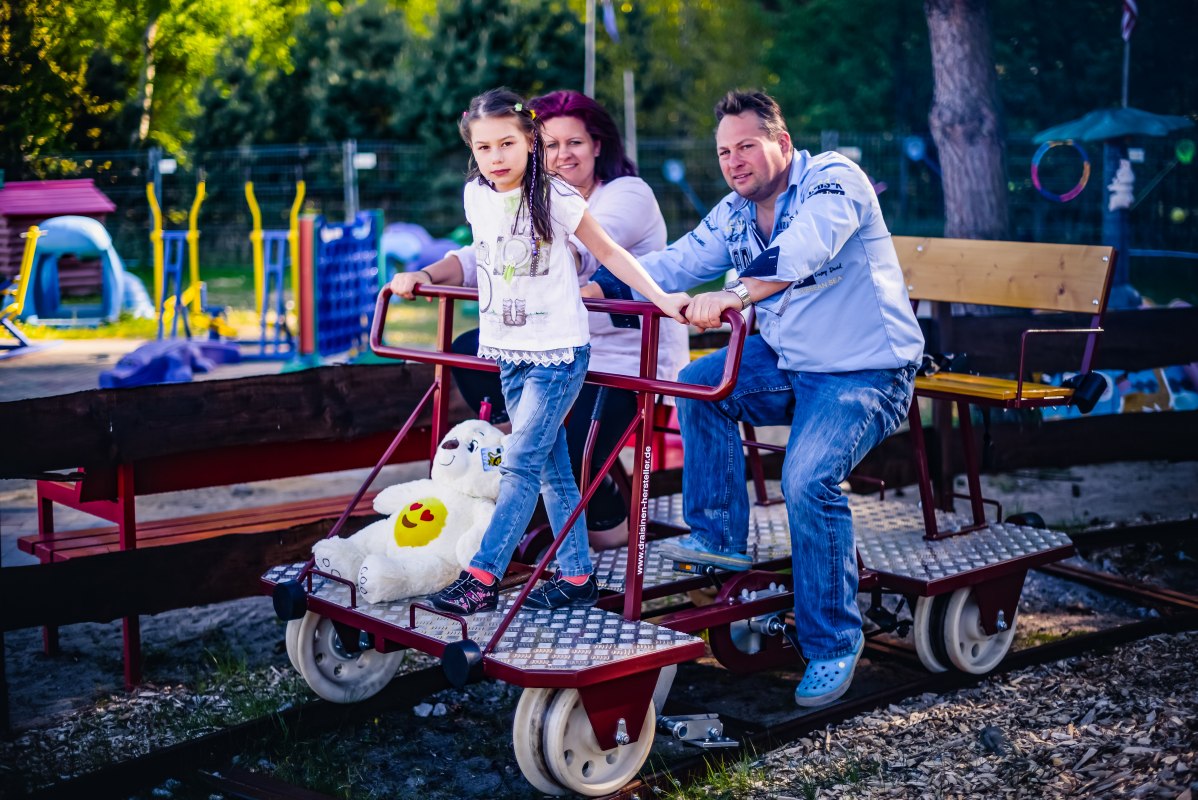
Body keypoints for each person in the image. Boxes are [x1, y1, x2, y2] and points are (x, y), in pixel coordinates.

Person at [597, 90, 924, 706]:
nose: (734, 161)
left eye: (746, 145)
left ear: (782, 142)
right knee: (700, 384)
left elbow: (806, 248)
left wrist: (736, 295)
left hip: (864, 372)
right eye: (724, 152)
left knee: (806, 479)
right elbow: (678, 262)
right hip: (789, 363)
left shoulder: (834, 181)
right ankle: (719, 537)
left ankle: (832, 640)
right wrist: (596, 286)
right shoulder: (735, 212)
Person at [393, 87, 689, 616]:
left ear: (530, 141)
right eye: (484, 147)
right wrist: (423, 274)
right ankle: (577, 576)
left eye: (507, 144)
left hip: (558, 353)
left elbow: (606, 251)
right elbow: (480, 253)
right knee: (554, 469)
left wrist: (663, 299)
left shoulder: (556, 196)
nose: (496, 157)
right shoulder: (477, 196)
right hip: (509, 350)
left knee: (520, 463)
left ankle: (482, 577)